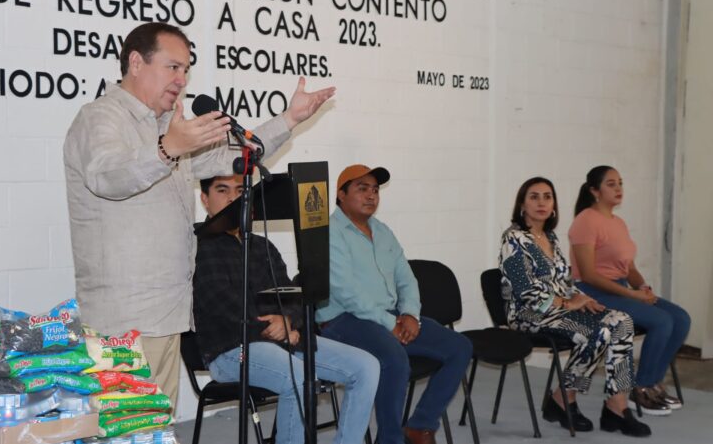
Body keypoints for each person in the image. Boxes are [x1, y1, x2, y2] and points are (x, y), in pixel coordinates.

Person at [63, 22, 335, 408]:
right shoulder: (101, 118)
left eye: (186, 69)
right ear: (136, 63)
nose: (182, 79)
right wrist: (167, 148)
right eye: (173, 67)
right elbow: (108, 176)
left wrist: (288, 120)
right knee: (123, 430)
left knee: (155, 427)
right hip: (124, 319)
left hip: (166, 314)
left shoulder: (167, 129)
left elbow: (235, 156)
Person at [192, 175, 379, 444]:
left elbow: (289, 295)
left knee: (366, 366)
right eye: (223, 191)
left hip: (283, 341)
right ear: (205, 200)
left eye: (240, 191)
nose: (233, 198)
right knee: (300, 379)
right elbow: (222, 304)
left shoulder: (263, 246)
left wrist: (289, 321)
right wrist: (276, 329)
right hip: (231, 350)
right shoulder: (198, 246)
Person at [315, 165, 473, 444]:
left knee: (460, 347)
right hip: (342, 320)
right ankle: (390, 439)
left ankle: (420, 425)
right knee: (395, 358)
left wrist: (410, 314)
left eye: (375, 190)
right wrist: (391, 324)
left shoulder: (382, 231)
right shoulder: (328, 232)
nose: (371, 196)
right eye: (362, 188)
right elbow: (346, 292)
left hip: (390, 316)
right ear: (340, 194)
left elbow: (406, 279)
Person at [499, 177, 650, 437]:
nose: (541, 203)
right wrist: (567, 303)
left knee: (621, 320)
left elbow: (566, 282)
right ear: (522, 204)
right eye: (534, 197)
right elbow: (525, 292)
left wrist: (584, 299)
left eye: (547, 196)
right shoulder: (513, 239)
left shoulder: (550, 237)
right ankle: (563, 399)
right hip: (529, 313)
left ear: (554, 204)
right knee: (597, 332)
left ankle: (617, 405)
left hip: (560, 309)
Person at [569, 165, 690, 416]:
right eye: (611, 184)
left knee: (680, 318)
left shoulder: (619, 223)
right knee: (661, 321)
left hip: (621, 289)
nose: (619, 189)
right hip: (594, 293)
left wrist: (642, 288)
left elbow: (629, 267)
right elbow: (589, 274)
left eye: (620, 183)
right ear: (594, 191)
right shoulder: (585, 221)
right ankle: (639, 389)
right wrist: (633, 296)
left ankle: (651, 381)